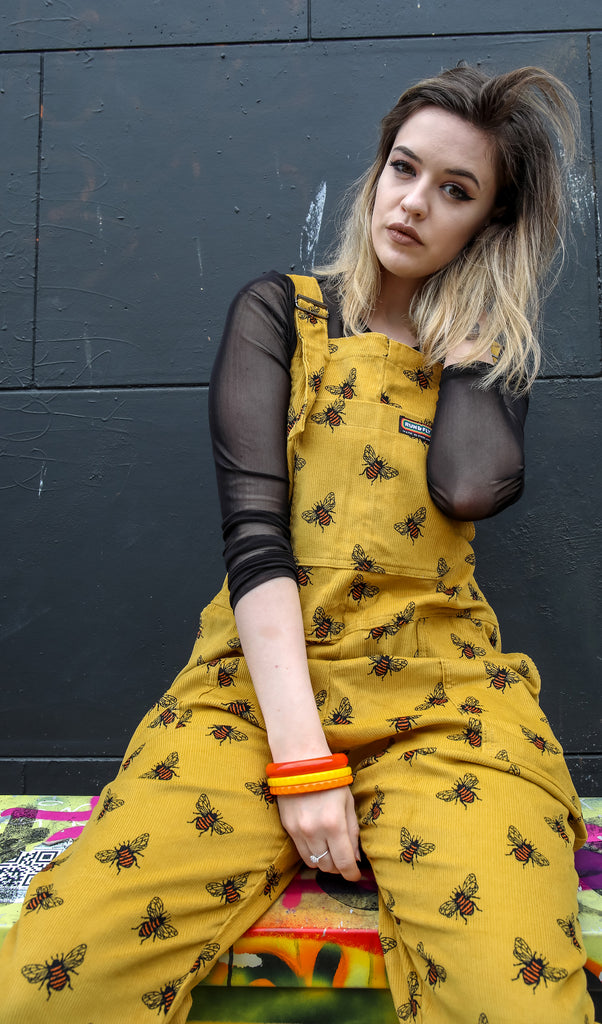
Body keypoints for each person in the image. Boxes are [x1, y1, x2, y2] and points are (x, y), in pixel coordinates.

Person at [0, 64, 595, 1024]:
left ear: (488, 224)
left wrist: (472, 355)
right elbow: (255, 538)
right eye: (404, 168)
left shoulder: (487, 356)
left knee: (518, 1003)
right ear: (376, 171)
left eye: (456, 191)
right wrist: (305, 763)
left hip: (445, 705)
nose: (412, 204)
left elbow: (468, 486)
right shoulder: (281, 313)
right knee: (51, 982)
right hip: (257, 693)